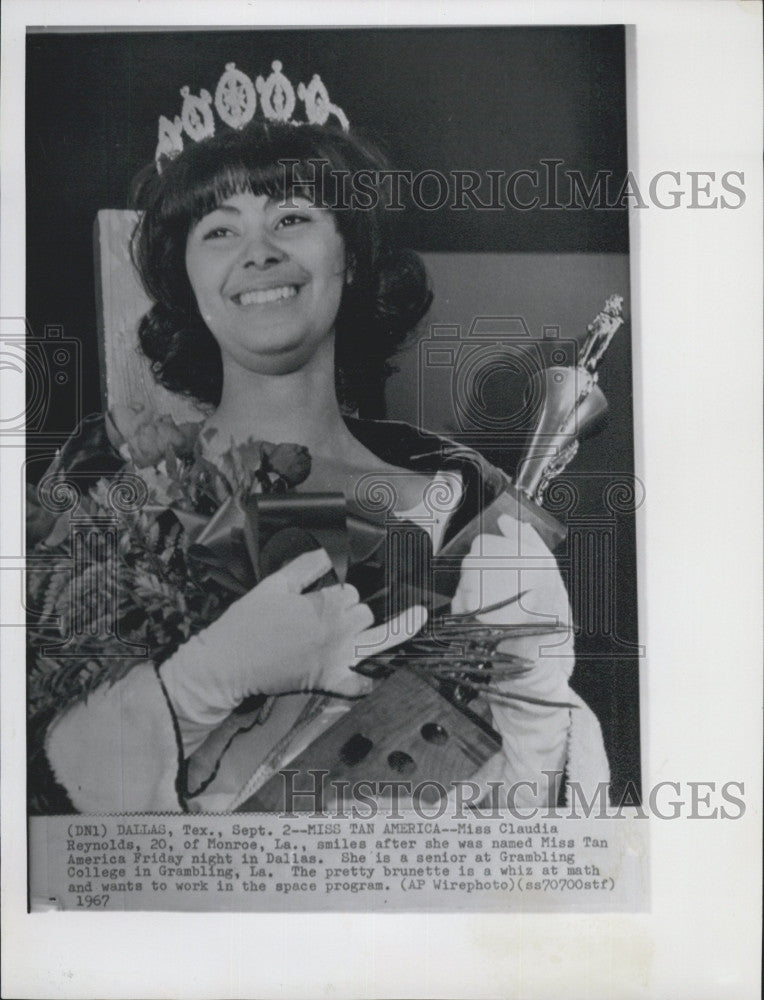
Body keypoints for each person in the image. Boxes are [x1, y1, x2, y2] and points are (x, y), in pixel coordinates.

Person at [27, 114, 609, 815]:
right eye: (218, 230)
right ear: (185, 276)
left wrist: (539, 712)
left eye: (293, 217)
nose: (259, 252)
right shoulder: (107, 475)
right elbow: (29, 781)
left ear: (352, 256)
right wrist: (194, 686)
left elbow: (530, 839)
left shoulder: (469, 496)